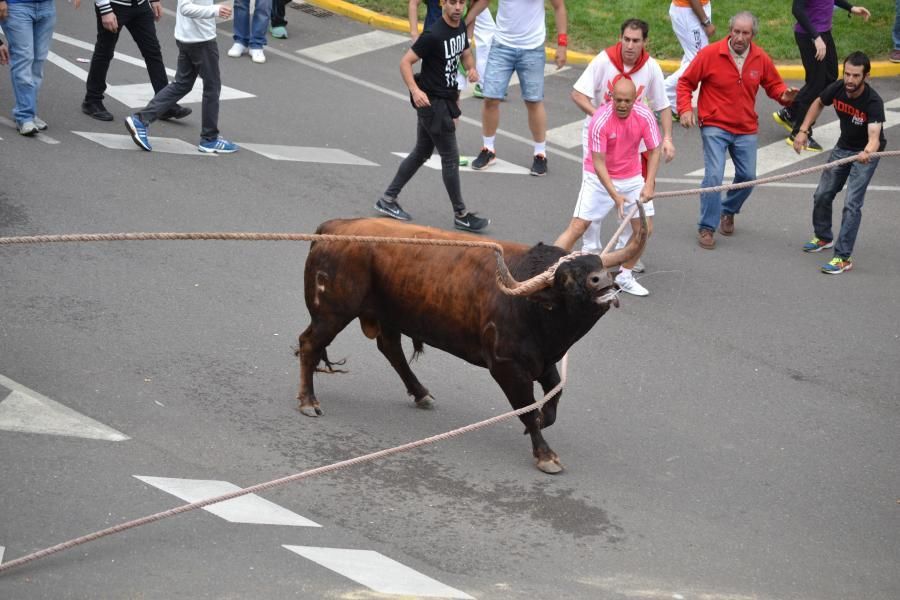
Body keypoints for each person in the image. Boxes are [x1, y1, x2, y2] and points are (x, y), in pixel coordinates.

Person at [677, 11, 799, 250]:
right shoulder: (711, 54)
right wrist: (684, 109)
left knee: (748, 177)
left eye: (745, 33)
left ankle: (728, 210)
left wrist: (786, 97)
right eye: (736, 31)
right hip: (715, 125)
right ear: (730, 31)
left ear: (752, 35)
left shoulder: (760, 58)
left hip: (745, 127)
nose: (740, 37)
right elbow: (685, 82)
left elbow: (774, 86)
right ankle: (706, 227)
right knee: (713, 177)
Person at [570, 18, 675, 282]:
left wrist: (668, 138)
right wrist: (602, 119)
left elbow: (662, 105)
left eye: (636, 41)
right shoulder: (604, 61)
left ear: (644, 42)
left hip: (632, 143)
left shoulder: (650, 67)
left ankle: (621, 254)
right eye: (626, 39)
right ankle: (590, 250)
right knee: (595, 199)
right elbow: (578, 94)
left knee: (634, 199)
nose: (630, 45)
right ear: (620, 38)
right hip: (599, 140)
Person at [375, 0, 489, 233]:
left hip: (443, 100)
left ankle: (387, 199)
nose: (458, 7)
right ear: (442, 4)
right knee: (450, 157)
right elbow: (405, 63)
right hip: (433, 103)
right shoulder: (433, 35)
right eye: (453, 2)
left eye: (462, 2)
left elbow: (465, 52)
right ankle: (461, 215)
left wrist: (471, 68)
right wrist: (415, 91)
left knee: (421, 152)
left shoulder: (459, 27)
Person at [554, 77, 661, 296]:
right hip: (599, 178)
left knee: (645, 229)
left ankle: (625, 275)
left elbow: (655, 150)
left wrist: (649, 184)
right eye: (618, 100)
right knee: (578, 227)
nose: (622, 105)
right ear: (611, 97)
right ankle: (547, 272)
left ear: (635, 100)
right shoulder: (600, 119)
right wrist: (615, 195)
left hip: (631, 177)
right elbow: (598, 162)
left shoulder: (645, 116)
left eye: (627, 101)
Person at [792, 51, 886, 274]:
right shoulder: (838, 88)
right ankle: (823, 237)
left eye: (856, 76)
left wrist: (867, 152)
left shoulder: (873, 102)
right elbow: (817, 102)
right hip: (843, 147)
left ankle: (843, 257)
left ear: (866, 77)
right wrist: (803, 130)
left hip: (865, 154)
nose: (850, 80)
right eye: (847, 74)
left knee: (852, 205)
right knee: (822, 194)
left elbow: (874, 138)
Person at [466, 0, 568, 176]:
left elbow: (559, 6)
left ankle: (540, 154)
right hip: (501, 46)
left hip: (532, 48)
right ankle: (488, 149)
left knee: (533, 101)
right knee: (490, 98)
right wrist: (464, 23)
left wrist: (562, 44)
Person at [125, 0, 237, 153]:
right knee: (212, 87)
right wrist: (215, 10)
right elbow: (185, 7)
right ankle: (209, 139)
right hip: (201, 41)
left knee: (182, 84)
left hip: (188, 37)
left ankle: (141, 120)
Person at [772, 0, 870, 152]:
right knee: (816, 84)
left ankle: (791, 113)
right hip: (810, 36)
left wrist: (851, 8)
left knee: (830, 76)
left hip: (824, 33)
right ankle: (798, 132)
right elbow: (797, 9)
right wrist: (816, 37)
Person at [81, 0, 192, 122]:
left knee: (152, 51)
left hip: (140, 5)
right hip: (114, 5)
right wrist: (105, 8)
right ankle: (92, 100)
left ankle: (164, 104)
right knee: (105, 52)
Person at [1, 0, 80, 136]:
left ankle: (29, 111)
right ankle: (25, 116)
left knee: (38, 62)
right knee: (23, 59)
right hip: (17, 6)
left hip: (46, 6)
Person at [663, 0, 715, 111]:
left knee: (693, 58)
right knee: (699, 61)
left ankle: (675, 102)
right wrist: (705, 21)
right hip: (689, 11)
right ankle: (663, 92)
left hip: (699, 8)